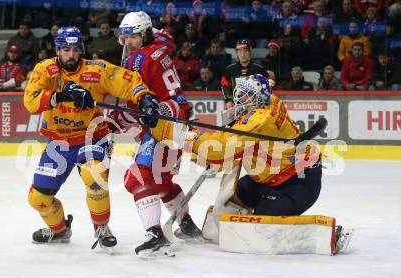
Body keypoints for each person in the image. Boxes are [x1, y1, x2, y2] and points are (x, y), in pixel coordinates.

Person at [23, 26, 156, 253]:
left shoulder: (97, 70)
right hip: (59, 143)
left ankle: (101, 228)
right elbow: (30, 101)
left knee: (93, 176)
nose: (71, 55)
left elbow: (129, 81)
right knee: (38, 198)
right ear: (58, 50)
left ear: (81, 49)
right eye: (65, 49)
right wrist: (62, 95)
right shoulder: (45, 70)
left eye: (75, 49)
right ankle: (60, 230)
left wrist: (144, 98)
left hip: (92, 137)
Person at [117, 11, 202, 256]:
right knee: (162, 181)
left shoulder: (137, 61)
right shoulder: (162, 44)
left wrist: (116, 118)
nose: (127, 43)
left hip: (162, 124)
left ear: (144, 34)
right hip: (178, 117)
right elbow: (165, 37)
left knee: (137, 179)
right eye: (125, 37)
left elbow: (136, 104)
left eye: (133, 37)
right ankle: (186, 225)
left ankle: (154, 233)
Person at [188, 74, 322, 224]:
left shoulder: (259, 122)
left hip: (298, 183)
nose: (241, 98)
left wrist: (190, 138)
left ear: (258, 98)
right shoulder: (270, 99)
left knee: (261, 224)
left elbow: (220, 150)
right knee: (241, 190)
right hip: (277, 175)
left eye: (247, 95)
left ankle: (304, 232)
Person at [221, 39, 269, 110]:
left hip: (256, 106)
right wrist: (228, 100)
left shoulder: (260, 69)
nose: (243, 54)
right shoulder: (229, 70)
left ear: (250, 52)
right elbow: (225, 87)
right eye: (239, 51)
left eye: (245, 51)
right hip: (235, 107)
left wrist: (262, 100)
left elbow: (268, 87)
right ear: (236, 53)